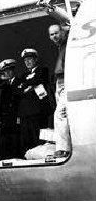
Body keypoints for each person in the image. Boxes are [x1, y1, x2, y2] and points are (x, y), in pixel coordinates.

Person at [17, 49, 53, 156]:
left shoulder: (42, 70)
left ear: (35, 59)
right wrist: (29, 85)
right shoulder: (23, 75)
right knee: (26, 138)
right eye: (25, 60)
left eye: (30, 59)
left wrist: (28, 85)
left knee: (38, 137)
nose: (27, 62)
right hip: (26, 112)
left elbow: (38, 80)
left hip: (38, 111)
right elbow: (20, 88)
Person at [48, 24, 71, 158]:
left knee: (60, 114)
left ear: (63, 32)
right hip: (60, 82)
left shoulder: (67, 42)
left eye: (56, 33)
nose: (54, 36)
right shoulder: (60, 46)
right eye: (51, 34)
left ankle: (63, 149)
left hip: (66, 80)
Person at [0, 59, 21, 159]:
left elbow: (20, 101)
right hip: (5, 119)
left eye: (9, 70)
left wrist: (19, 115)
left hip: (15, 117)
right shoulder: (5, 86)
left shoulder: (19, 82)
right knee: (4, 142)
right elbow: (2, 104)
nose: (7, 73)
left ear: (13, 70)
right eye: (5, 71)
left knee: (15, 140)